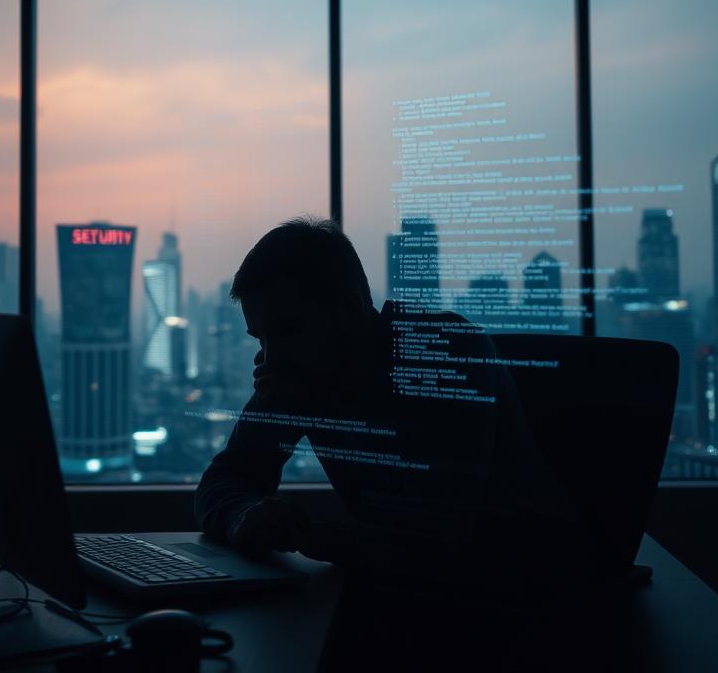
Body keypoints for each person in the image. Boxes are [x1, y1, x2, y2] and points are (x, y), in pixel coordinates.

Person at [194, 217, 584, 591]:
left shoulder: (442, 353)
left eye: (287, 330)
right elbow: (225, 479)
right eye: (259, 338)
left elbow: (431, 539)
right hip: (419, 598)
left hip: (534, 596)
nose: (270, 357)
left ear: (347, 310)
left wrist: (300, 532)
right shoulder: (297, 373)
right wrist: (240, 516)